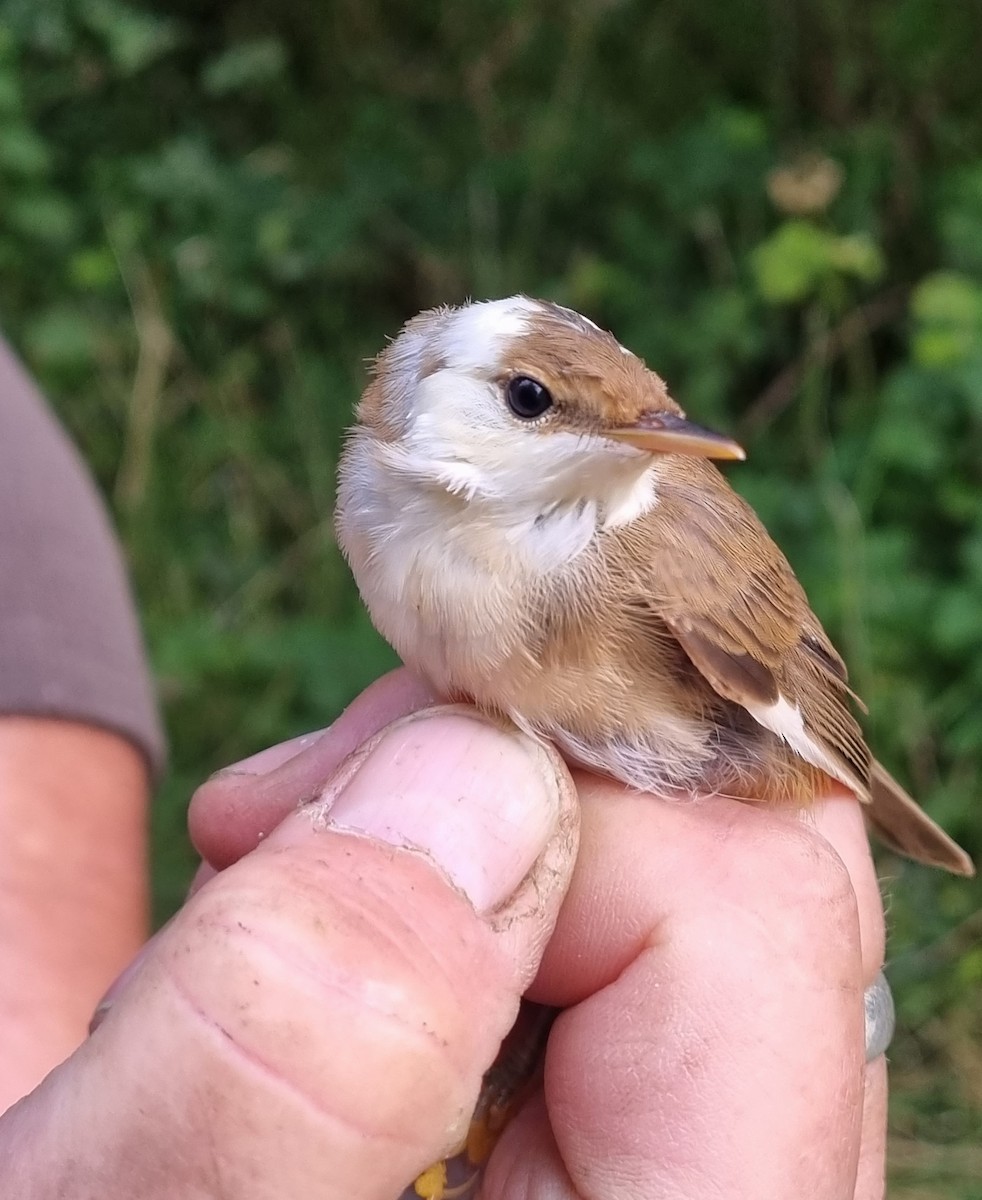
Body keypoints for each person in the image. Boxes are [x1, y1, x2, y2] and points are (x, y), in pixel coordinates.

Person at [0, 342, 889, 1198]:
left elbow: (795, 701)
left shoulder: (660, 549)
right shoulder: (381, 497)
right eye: (533, 402)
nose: (641, 445)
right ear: (438, 396)